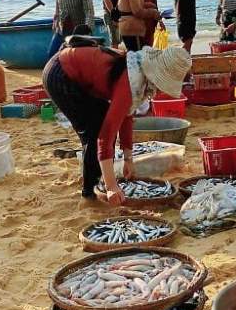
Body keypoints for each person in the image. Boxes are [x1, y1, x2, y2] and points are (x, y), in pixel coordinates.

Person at [42, 41, 191, 201]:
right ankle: (90, 193)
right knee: (94, 132)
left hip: (73, 74)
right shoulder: (130, 81)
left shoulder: (138, 71)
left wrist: (128, 158)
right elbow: (105, 135)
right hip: (60, 74)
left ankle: (99, 180)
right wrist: (112, 186)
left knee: (101, 124)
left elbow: (126, 116)